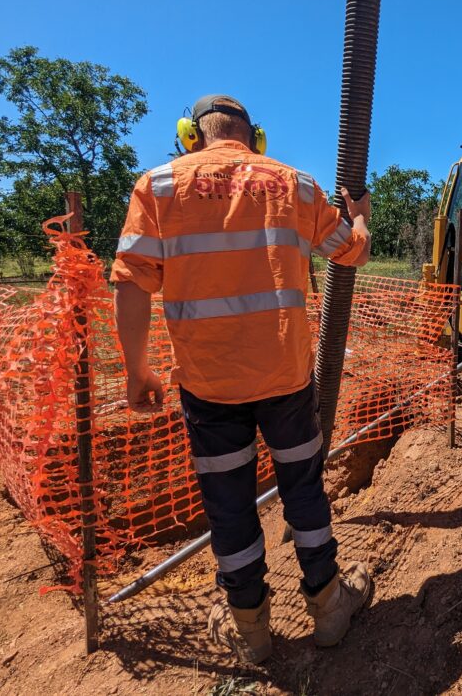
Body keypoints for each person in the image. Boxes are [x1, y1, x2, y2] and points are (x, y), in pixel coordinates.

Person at [111, 94, 373, 664]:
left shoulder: (156, 187)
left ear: (190, 134)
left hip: (208, 387)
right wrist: (359, 218)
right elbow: (351, 253)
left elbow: (130, 282)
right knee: (303, 488)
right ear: (257, 139)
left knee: (229, 505)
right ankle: (329, 606)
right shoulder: (298, 186)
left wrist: (136, 371)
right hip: (286, 377)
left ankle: (251, 629)